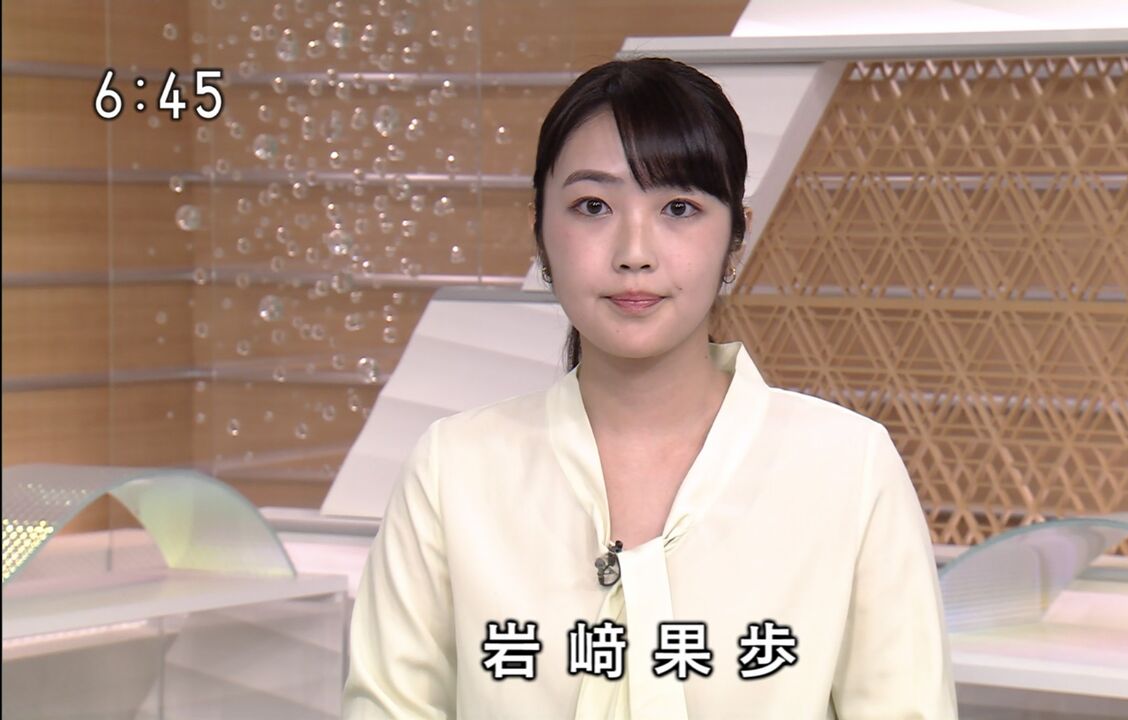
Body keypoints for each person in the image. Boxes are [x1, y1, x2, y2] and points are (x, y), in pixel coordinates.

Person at [342, 56, 957, 719]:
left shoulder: (848, 468)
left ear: (736, 237)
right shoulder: (453, 470)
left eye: (679, 208)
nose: (634, 252)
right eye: (593, 206)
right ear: (540, 232)